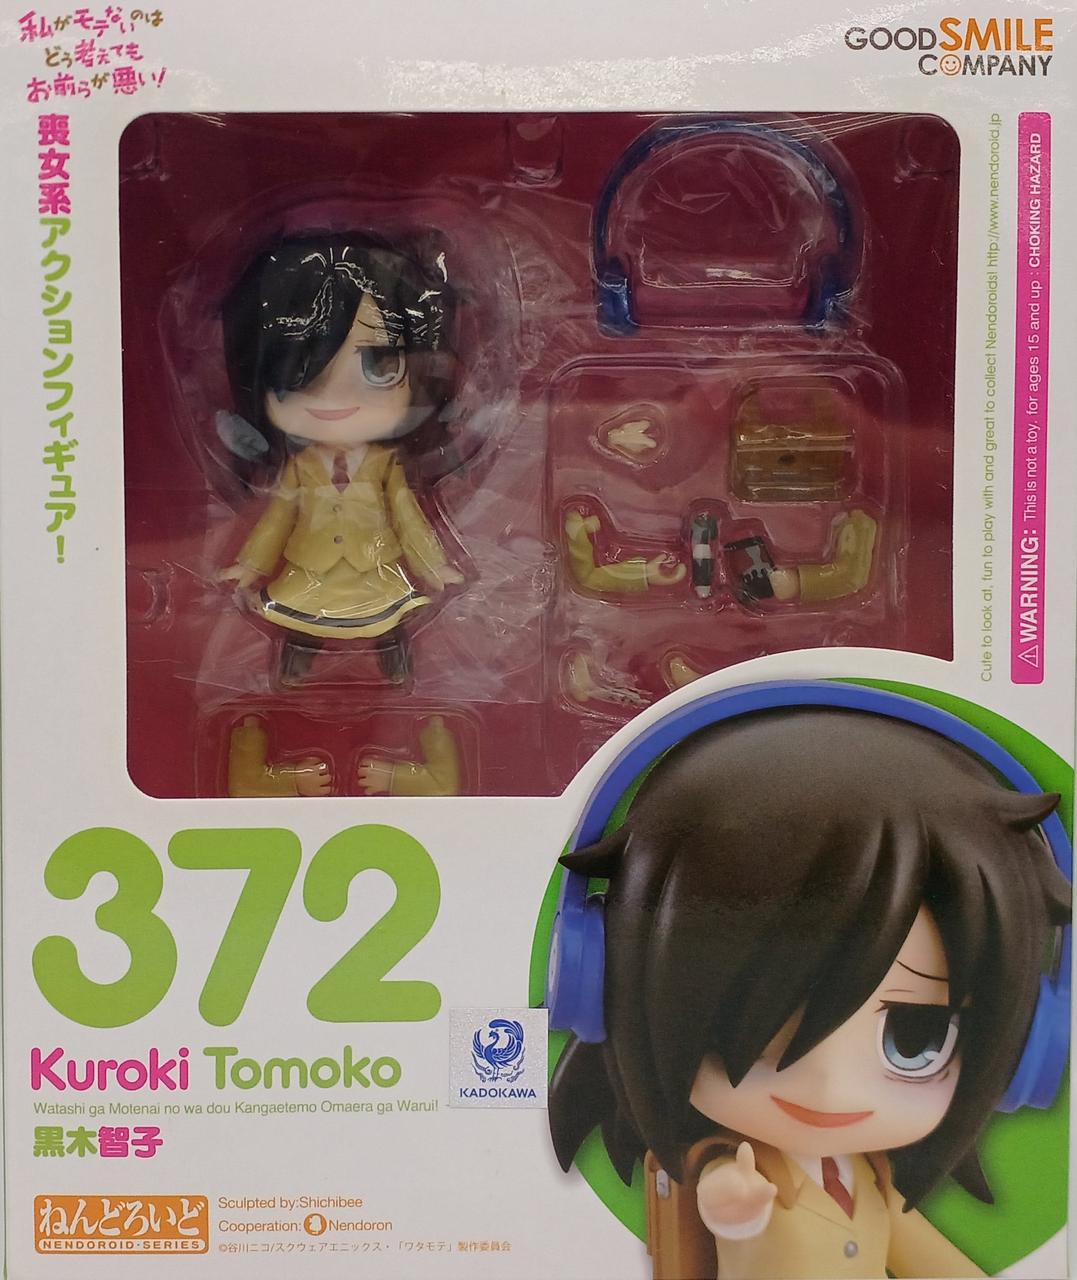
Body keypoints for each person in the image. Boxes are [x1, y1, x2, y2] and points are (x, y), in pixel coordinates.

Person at [548, 705, 1070, 1279]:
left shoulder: (871, 1179)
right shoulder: (736, 1167)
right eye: (759, 1025)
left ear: (1026, 1044)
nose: (829, 1087)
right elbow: (724, 1198)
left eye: (914, 1037)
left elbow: (933, 1262)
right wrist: (735, 1206)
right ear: (598, 983)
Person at [218, 232, 463, 687]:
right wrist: (250, 566)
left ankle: (393, 654)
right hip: (311, 566)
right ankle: (298, 654)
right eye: (301, 372)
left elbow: (409, 518)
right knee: (301, 615)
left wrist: (433, 567)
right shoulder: (300, 468)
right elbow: (276, 519)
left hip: (376, 569)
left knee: (387, 617)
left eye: (378, 365)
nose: (338, 397)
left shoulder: (387, 466)